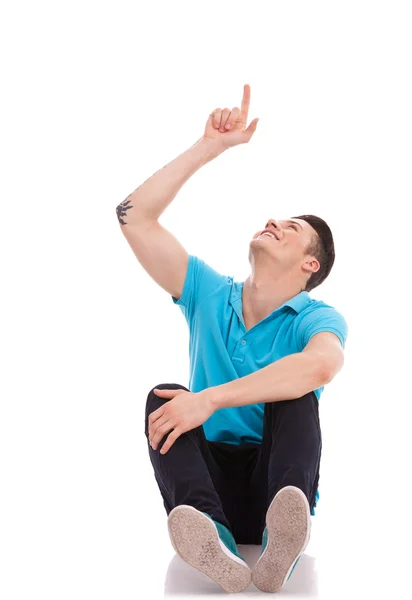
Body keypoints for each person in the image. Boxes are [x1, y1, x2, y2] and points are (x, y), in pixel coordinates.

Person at [116, 84, 348, 593]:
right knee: (162, 397)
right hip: (211, 483)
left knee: (298, 396)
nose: (273, 223)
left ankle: (280, 535)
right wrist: (209, 147)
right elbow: (132, 216)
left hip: (274, 482)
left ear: (310, 265)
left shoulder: (316, 317)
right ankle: (212, 537)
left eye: (289, 228)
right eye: (275, 219)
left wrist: (210, 399)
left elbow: (321, 367)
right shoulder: (207, 292)